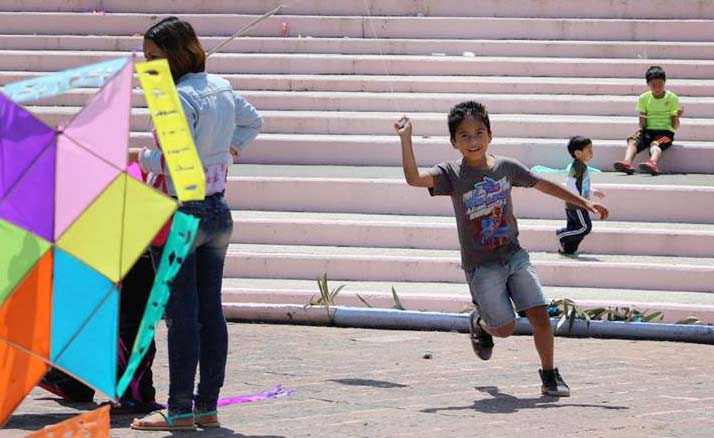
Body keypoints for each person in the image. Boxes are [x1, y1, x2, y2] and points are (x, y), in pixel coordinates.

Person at [394, 101, 608, 397]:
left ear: (490, 135)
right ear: (453, 142)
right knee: (505, 328)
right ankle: (481, 324)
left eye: (479, 132)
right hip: (482, 266)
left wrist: (584, 202)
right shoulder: (451, 174)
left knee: (539, 313)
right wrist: (406, 138)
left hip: (514, 255)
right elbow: (414, 179)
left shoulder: (506, 168)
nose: (473, 141)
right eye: (464, 135)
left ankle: (549, 374)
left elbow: (541, 184)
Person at [129, 17, 262, 431]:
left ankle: (180, 409)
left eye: (153, 57)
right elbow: (253, 120)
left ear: (174, 55)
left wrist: (137, 156)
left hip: (179, 213)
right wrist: (229, 149)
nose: (146, 65)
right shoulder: (219, 87)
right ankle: (207, 405)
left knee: (181, 316)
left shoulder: (175, 99)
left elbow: (173, 160)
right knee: (210, 312)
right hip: (218, 211)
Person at [613, 65, 683, 175]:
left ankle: (653, 163)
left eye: (660, 84)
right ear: (648, 84)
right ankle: (627, 162)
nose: (657, 88)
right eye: (653, 85)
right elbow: (642, 126)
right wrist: (642, 120)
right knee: (632, 140)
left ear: (665, 82)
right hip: (648, 131)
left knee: (655, 143)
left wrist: (676, 116)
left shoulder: (672, 98)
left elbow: (675, 127)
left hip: (665, 132)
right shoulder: (643, 98)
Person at [556, 136, 605, 255]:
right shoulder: (577, 166)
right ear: (578, 153)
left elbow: (582, 184)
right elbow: (570, 184)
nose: (591, 152)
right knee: (584, 227)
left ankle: (567, 249)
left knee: (575, 230)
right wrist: (579, 200)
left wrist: (593, 191)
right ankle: (562, 234)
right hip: (577, 204)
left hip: (579, 203)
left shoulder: (582, 166)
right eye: (588, 150)